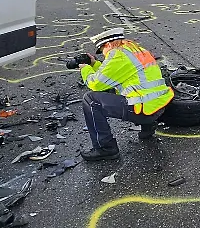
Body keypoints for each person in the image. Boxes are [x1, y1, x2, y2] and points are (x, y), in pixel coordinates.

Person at [71, 28, 174, 161]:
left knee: (90, 99)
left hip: (142, 110)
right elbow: (115, 74)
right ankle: (148, 128)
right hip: (159, 107)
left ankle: (105, 148)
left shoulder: (117, 54)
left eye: (102, 50)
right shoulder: (135, 49)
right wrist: (95, 64)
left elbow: (95, 84)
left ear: (108, 44)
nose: (103, 54)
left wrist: (86, 69)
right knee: (132, 91)